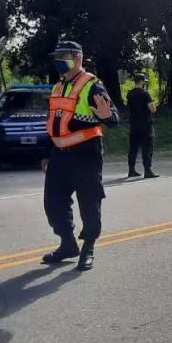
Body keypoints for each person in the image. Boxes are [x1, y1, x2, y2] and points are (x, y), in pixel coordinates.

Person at [41, 41, 119, 271]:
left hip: (86, 156)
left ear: (77, 58)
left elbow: (113, 117)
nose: (57, 61)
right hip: (59, 156)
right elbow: (53, 123)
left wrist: (108, 116)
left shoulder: (92, 86)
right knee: (53, 204)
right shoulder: (58, 87)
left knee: (89, 204)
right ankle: (68, 244)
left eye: (61, 56)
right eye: (56, 57)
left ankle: (88, 249)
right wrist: (48, 154)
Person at [126, 73, 159, 179]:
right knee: (147, 148)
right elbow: (152, 109)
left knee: (133, 148)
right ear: (142, 81)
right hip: (146, 124)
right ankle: (147, 170)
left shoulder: (130, 94)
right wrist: (153, 102)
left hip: (134, 124)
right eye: (144, 81)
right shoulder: (145, 94)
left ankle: (131, 170)